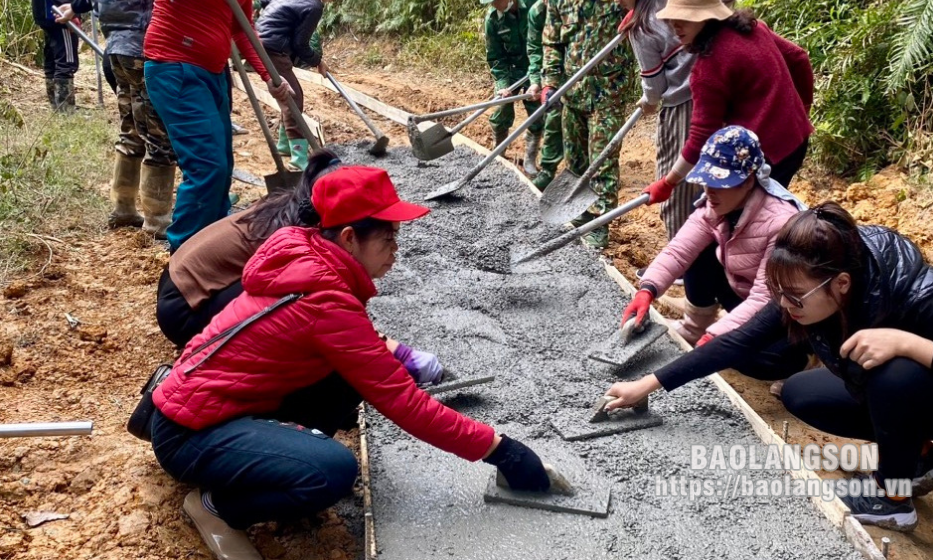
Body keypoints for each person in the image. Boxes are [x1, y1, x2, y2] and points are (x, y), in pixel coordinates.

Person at [148, 165, 552, 559]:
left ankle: (274, 461)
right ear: (347, 238)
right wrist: (503, 451)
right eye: (388, 238)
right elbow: (403, 402)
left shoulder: (306, 260)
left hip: (199, 408)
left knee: (346, 381)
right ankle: (217, 507)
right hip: (190, 433)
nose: (396, 250)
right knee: (333, 471)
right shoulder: (326, 299)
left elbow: (362, 353)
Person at [604, 200, 933, 532]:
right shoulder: (813, 270)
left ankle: (892, 501)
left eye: (796, 297)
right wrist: (647, 385)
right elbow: (738, 341)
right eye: (781, 294)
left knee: (895, 376)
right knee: (801, 394)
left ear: (842, 284)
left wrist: (906, 343)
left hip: (912, 387)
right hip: (907, 397)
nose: (787, 307)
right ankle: (916, 457)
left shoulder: (916, 293)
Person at [621, 126, 804, 347]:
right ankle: (693, 328)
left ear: (748, 181)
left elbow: (764, 298)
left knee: (761, 360)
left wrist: (714, 337)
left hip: (786, 312)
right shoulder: (715, 207)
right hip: (740, 290)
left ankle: (802, 359)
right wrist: (647, 290)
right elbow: (678, 251)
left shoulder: (781, 224)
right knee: (699, 252)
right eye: (706, 182)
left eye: (718, 183)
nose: (709, 191)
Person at [143, 0, 293, 253]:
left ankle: (211, 249)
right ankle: (183, 257)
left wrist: (269, 75)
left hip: (213, 72)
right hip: (175, 66)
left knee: (222, 166)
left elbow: (242, 29)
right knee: (207, 166)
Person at [643, 0, 813, 211]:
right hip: (796, 140)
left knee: (723, 214)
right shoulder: (755, 27)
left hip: (765, 155)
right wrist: (802, 111)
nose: (675, 26)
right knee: (758, 210)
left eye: (684, 19)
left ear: (706, 18)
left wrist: (667, 183)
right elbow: (799, 58)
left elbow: (701, 136)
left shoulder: (709, 68)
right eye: (671, 19)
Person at [56, 0, 177, 238]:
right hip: (145, 48)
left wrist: (75, 7)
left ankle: (123, 209)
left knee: (131, 130)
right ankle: (158, 221)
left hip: (116, 50)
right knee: (158, 135)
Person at [542, 0, 633, 248]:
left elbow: (649, 11)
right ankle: (579, 211)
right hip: (573, 91)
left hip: (609, 90)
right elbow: (552, 42)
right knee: (575, 159)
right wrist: (550, 82)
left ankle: (598, 224)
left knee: (602, 159)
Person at [257, 0, 329, 171]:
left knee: (288, 96)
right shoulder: (314, 6)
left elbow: (265, 2)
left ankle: (284, 145)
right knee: (293, 99)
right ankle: (299, 159)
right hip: (272, 48)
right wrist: (317, 61)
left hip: (260, 41)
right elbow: (300, 44)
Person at [482, 0, 542, 178]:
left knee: (538, 111)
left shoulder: (534, 6)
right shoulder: (492, 20)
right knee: (502, 107)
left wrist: (537, 79)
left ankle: (530, 159)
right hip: (511, 71)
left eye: (495, 1)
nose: (493, 6)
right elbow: (496, 58)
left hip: (536, 66)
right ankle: (499, 153)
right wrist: (503, 85)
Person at [525, 0, 562, 190]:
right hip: (553, 68)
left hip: (583, 68)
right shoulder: (537, 12)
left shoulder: (574, 5)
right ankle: (548, 170)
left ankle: (596, 170)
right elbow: (535, 49)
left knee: (586, 120)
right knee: (554, 115)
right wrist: (537, 81)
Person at [32, 0, 79, 112]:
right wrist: (73, 11)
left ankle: (57, 107)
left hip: (45, 13)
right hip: (58, 13)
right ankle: (66, 110)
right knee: (66, 61)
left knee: (52, 59)